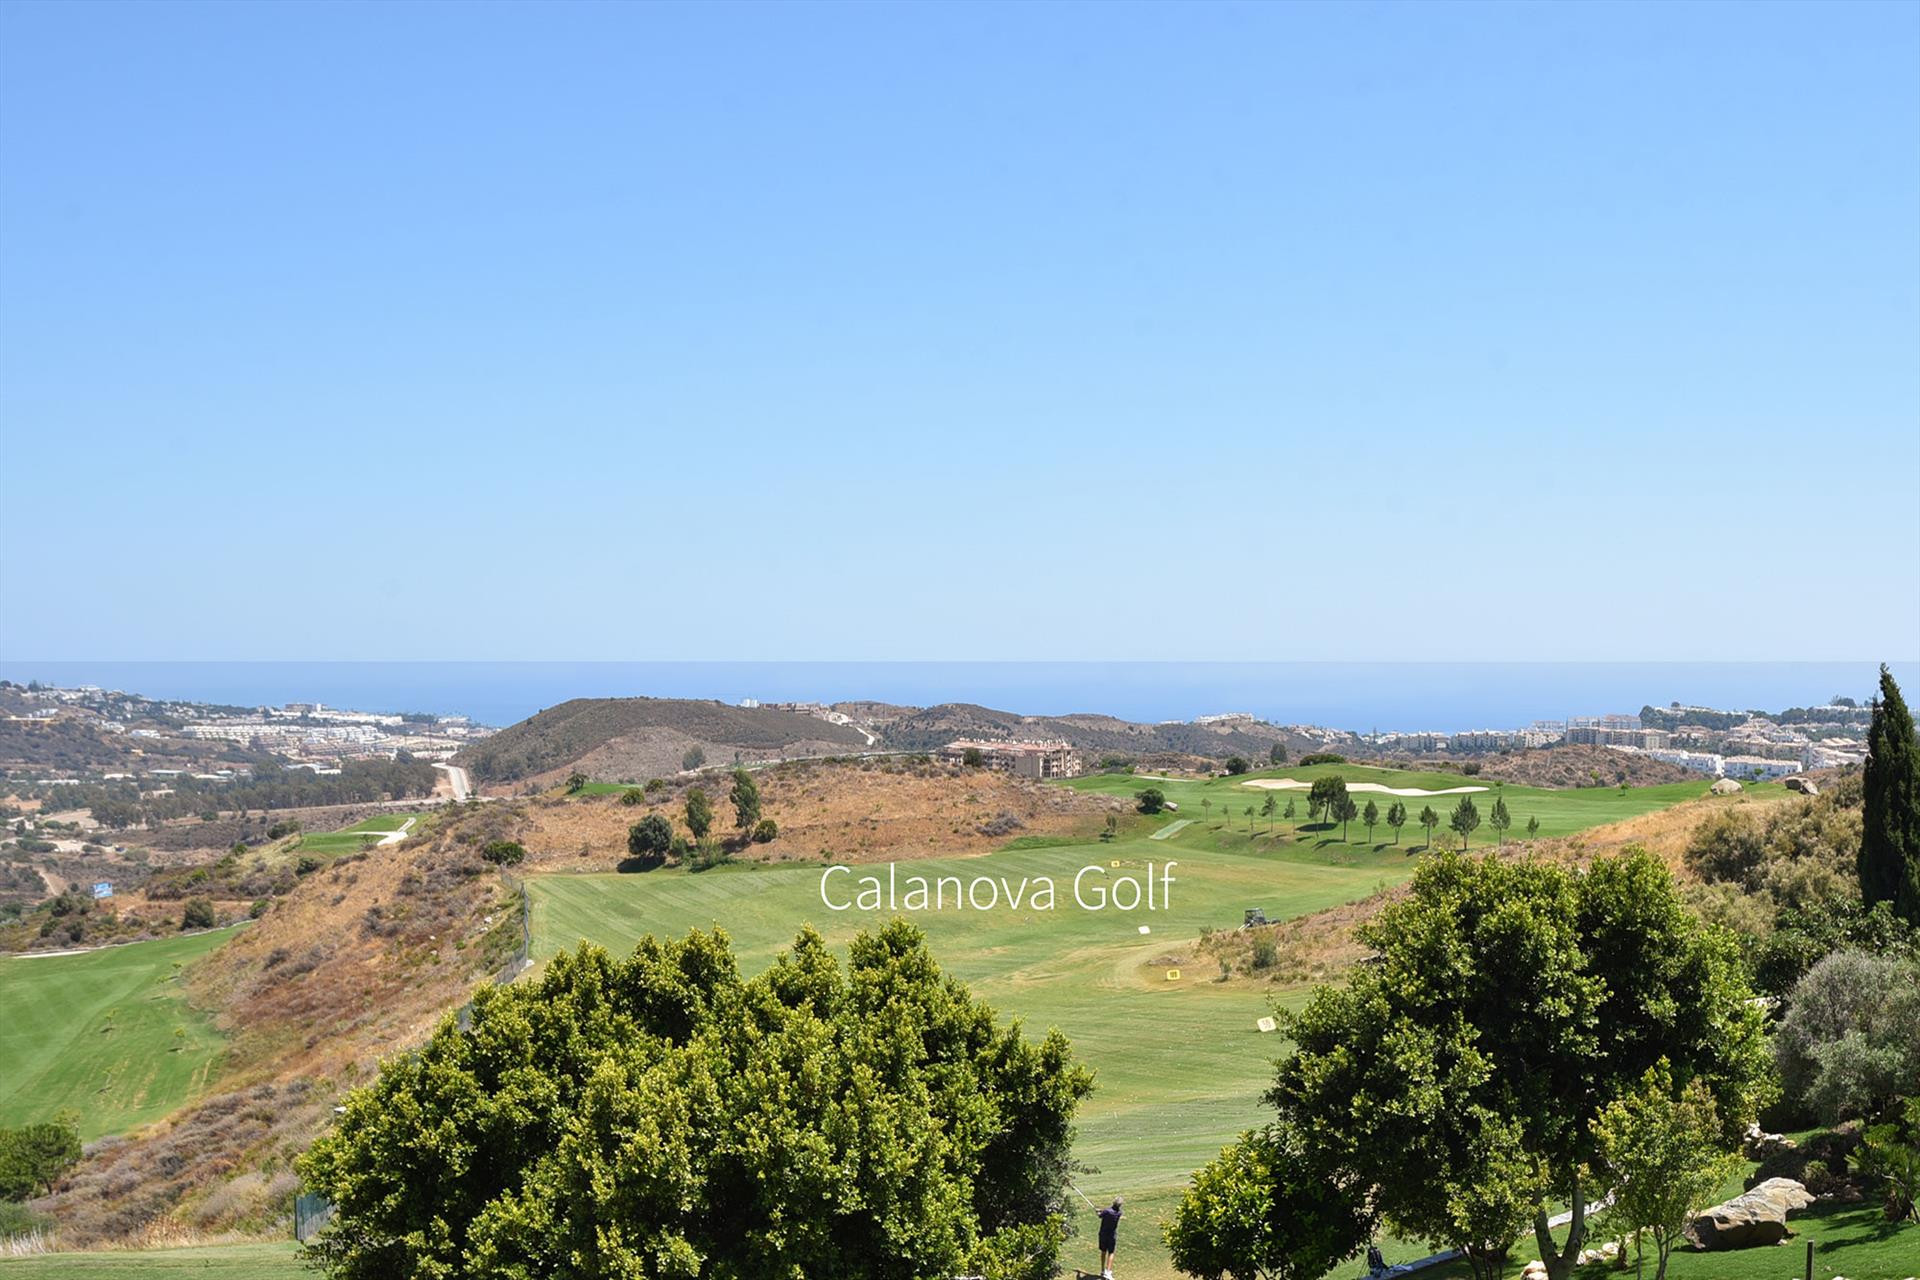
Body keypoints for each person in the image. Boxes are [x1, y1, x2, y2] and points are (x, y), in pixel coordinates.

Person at [1096, 1197, 1123, 1278]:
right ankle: (1108, 1271)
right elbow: (1106, 1212)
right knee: (1111, 1253)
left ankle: (1102, 1270)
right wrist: (1101, 1210)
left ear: (1113, 1202)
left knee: (1103, 1251)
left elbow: (1100, 1215)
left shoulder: (1107, 1211)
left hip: (1103, 1234)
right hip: (1112, 1235)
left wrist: (1098, 1212)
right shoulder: (1119, 1213)